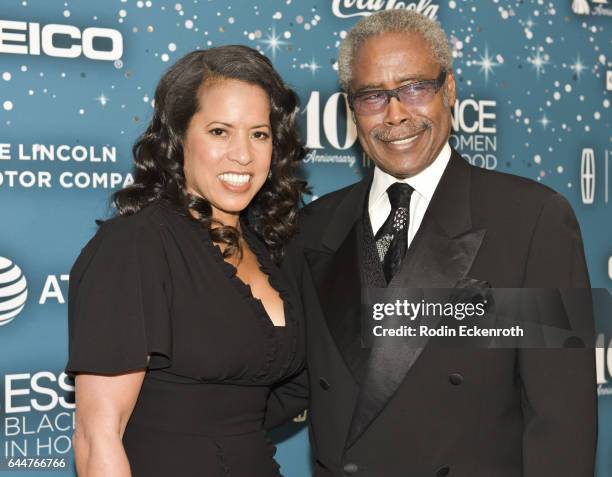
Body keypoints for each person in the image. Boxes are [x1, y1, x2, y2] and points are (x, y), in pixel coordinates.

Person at [268, 9, 597, 477]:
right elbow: (287, 384)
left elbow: (561, 426)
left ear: (450, 90)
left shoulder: (532, 221)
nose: (396, 113)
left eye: (415, 88)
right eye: (372, 96)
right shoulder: (313, 229)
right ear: (350, 110)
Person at [66, 45, 308, 477]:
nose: (243, 154)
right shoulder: (135, 245)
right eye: (219, 131)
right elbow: (95, 437)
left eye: (259, 133)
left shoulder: (266, 249)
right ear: (178, 137)